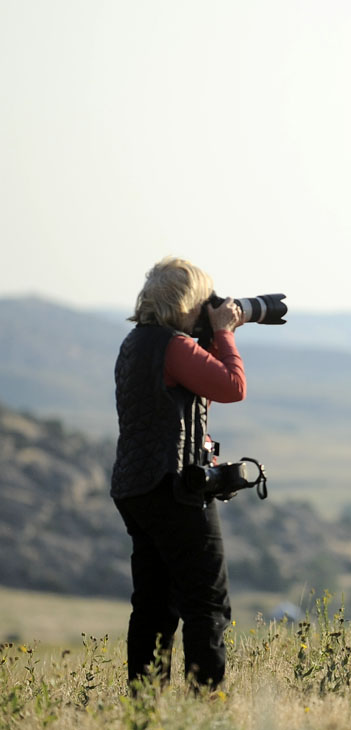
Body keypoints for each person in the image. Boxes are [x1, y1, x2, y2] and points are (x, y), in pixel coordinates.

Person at [110, 257, 246, 691]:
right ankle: (204, 709)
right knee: (207, 602)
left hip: (137, 487)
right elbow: (231, 387)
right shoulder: (174, 347)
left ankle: (143, 714)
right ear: (188, 301)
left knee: (153, 606)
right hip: (175, 491)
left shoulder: (134, 343)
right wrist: (224, 332)